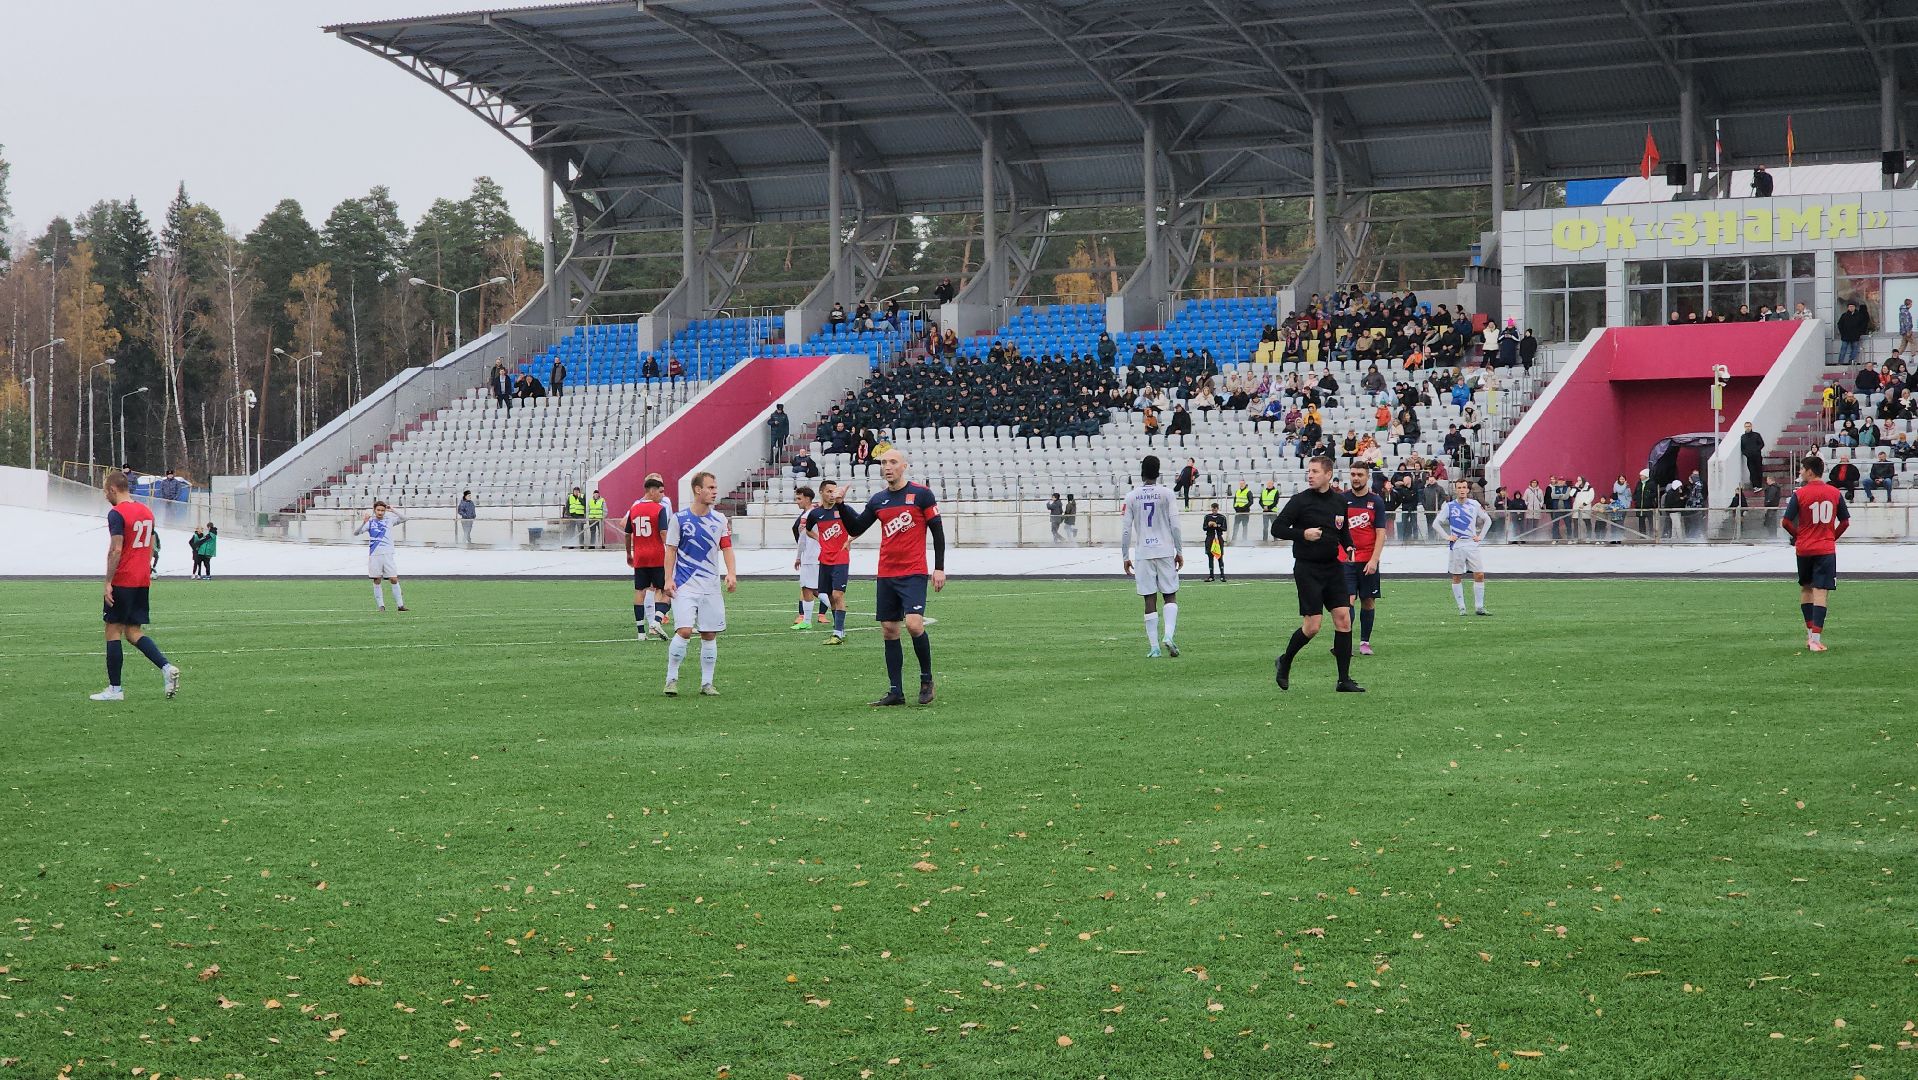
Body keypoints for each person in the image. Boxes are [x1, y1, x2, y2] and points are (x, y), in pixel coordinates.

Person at [833, 446, 947, 706]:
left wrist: (938, 567)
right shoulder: (878, 500)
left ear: (904, 466)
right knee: (889, 630)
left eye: (893, 462)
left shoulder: (921, 495)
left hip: (914, 571)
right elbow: (857, 527)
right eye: (884, 462)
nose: (887, 466)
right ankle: (896, 691)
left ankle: (927, 679)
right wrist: (841, 505)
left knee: (914, 625)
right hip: (886, 572)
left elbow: (938, 532)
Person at [1270, 456, 1363, 693]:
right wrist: (1302, 534)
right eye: (1308, 471)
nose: (1310, 475)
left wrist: (1349, 545)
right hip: (1307, 569)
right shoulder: (1300, 501)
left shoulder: (1340, 502)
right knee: (1312, 626)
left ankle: (1344, 680)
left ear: (1328, 474)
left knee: (1344, 618)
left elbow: (1342, 531)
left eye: (1315, 471)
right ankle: (1285, 660)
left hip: (1333, 568)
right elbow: (1277, 528)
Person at [91, 471, 181, 701]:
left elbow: (116, 549)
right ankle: (166, 667)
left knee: (112, 630)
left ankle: (115, 689)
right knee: (133, 631)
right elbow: (151, 546)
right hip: (142, 579)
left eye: (105, 491)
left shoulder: (117, 513)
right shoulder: (146, 511)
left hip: (123, 578)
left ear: (112, 489)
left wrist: (108, 581)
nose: (105, 496)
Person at [661, 471, 738, 696]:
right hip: (684, 583)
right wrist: (668, 579)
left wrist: (731, 573)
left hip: (711, 586)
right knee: (684, 631)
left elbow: (727, 547)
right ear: (698, 490)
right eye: (711, 488)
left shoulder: (720, 520)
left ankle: (707, 683)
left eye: (715, 488)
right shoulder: (679, 518)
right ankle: (671, 679)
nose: (715, 492)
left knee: (709, 633)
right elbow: (671, 550)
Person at [1782, 456, 1849, 651]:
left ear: (1810, 471)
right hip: (1825, 548)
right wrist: (1831, 537)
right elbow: (1845, 522)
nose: (1801, 472)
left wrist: (1799, 536)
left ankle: (1809, 634)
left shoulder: (1800, 494)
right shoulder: (1834, 493)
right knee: (1821, 591)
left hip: (1804, 548)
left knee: (1806, 588)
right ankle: (1816, 640)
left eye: (1802, 469)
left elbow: (1786, 522)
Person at [1121, 455, 1184, 659]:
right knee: (1170, 595)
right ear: (1158, 472)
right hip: (1165, 550)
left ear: (1142, 472)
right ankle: (1169, 635)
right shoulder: (1167, 494)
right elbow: (1175, 525)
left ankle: (1154, 647)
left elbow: (1126, 530)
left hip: (1143, 553)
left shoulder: (1132, 496)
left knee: (1149, 598)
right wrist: (1179, 551)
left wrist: (1125, 555)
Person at [1342, 463, 1390, 656]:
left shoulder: (1376, 502)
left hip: (1368, 559)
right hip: (1346, 560)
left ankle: (1364, 642)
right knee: (1347, 600)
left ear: (1367, 476)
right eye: (1353, 474)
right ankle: (1344, 643)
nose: (1356, 478)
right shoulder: (1342, 499)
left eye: (1360, 474)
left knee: (1368, 601)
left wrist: (1374, 560)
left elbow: (1380, 533)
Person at [624, 476, 675, 642]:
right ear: (652, 491)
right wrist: (671, 549)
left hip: (639, 556)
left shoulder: (634, 508)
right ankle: (656, 621)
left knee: (640, 591)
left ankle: (640, 632)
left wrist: (629, 553)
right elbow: (662, 532)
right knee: (664, 591)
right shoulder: (659, 509)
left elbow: (627, 533)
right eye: (660, 492)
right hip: (657, 555)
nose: (662, 496)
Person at [806, 479, 854, 644]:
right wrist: (819, 538)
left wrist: (850, 540)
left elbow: (860, 525)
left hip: (841, 557)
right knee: (830, 596)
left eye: (834, 491)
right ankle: (839, 628)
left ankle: (838, 633)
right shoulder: (815, 514)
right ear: (821, 492)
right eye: (829, 492)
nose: (833, 495)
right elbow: (807, 530)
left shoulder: (843, 510)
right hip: (825, 558)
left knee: (837, 594)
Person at [1438, 478, 1492, 616]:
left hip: (1471, 544)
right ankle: (1462, 607)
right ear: (1456, 490)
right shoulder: (1449, 506)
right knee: (1457, 576)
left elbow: (1488, 520)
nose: (1462, 490)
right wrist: (1447, 537)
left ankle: (1479, 607)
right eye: (1459, 488)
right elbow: (1436, 523)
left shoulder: (1474, 504)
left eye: (1464, 487)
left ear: (1468, 489)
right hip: (1457, 545)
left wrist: (1480, 537)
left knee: (1479, 574)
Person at [354, 500, 409, 612]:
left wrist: (392, 509)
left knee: (393, 579)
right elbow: (356, 533)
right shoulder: (370, 522)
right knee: (377, 580)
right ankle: (381, 606)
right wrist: (364, 522)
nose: (380, 512)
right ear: (374, 510)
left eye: (382, 510)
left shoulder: (389, 520)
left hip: (388, 554)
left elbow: (405, 518)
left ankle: (400, 605)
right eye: (378, 510)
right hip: (375, 555)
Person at [791, 486, 824, 630]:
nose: (797, 502)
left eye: (799, 498)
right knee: (812, 589)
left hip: (810, 557)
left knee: (808, 588)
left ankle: (838, 611)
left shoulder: (806, 516)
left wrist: (798, 557)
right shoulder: (816, 513)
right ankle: (807, 620)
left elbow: (802, 539)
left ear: (807, 499)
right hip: (814, 556)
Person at [1836, 301, 1869, 366]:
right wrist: (1842, 333)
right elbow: (1839, 324)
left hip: (1855, 336)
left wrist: (1859, 333)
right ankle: (1840, 362)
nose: (1851, 308)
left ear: (1854, 307)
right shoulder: (1844, 315)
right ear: (1848, 308)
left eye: (1852, 306)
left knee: (1854, 350)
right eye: (1850, 307)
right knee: (1843, 350)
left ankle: (1851, 361)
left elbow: (1863, 325)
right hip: (1845, 336)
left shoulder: (1859, 315)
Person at [1202, 502, 1228, 582]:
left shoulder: (1222, 517)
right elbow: (1204, 528)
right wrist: (1209, 525)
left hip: (1218, 539)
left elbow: (1225, 528)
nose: (1214, 511)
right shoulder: (1207, 517)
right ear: (1211, 509)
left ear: (1218, 509)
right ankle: (1211, 576)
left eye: (1215, 510)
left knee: (1220, 556)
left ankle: (1222, 575)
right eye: (1213, 509)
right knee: (1210, 556)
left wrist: (1217, 526)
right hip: (1210, 538)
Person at [1739, 422, 1766, 488]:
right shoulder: (1743, 437)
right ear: (1744, 427)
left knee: (1759, 470)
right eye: (1746, 426)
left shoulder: (1756, 435)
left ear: (1751, 427)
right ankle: (1755, 486)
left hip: (1757, 457)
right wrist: (1746, 453)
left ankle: (1759, 485)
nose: (1747, 428)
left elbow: (1761, 444)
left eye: (1749, 426)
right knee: (1752, 471)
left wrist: (1756, 450)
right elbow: (1742, 448)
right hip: (1749, 458)